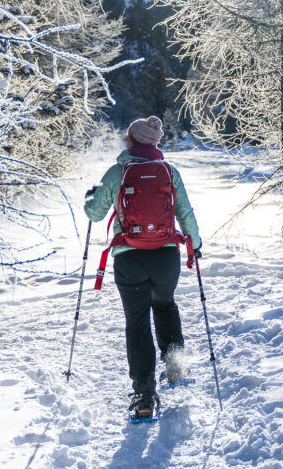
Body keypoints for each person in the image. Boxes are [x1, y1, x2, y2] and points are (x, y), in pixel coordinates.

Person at [84, 115, 201, 418]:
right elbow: (185, 212)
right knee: (165, 305)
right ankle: (175, 366)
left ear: (132, 141)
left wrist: (90, 198)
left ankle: (144, 396)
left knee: (137, 323)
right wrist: (195, 244)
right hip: (166, 257)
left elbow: (96, 214)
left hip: (130, 257)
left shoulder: (118, 172)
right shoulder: (169, 172)